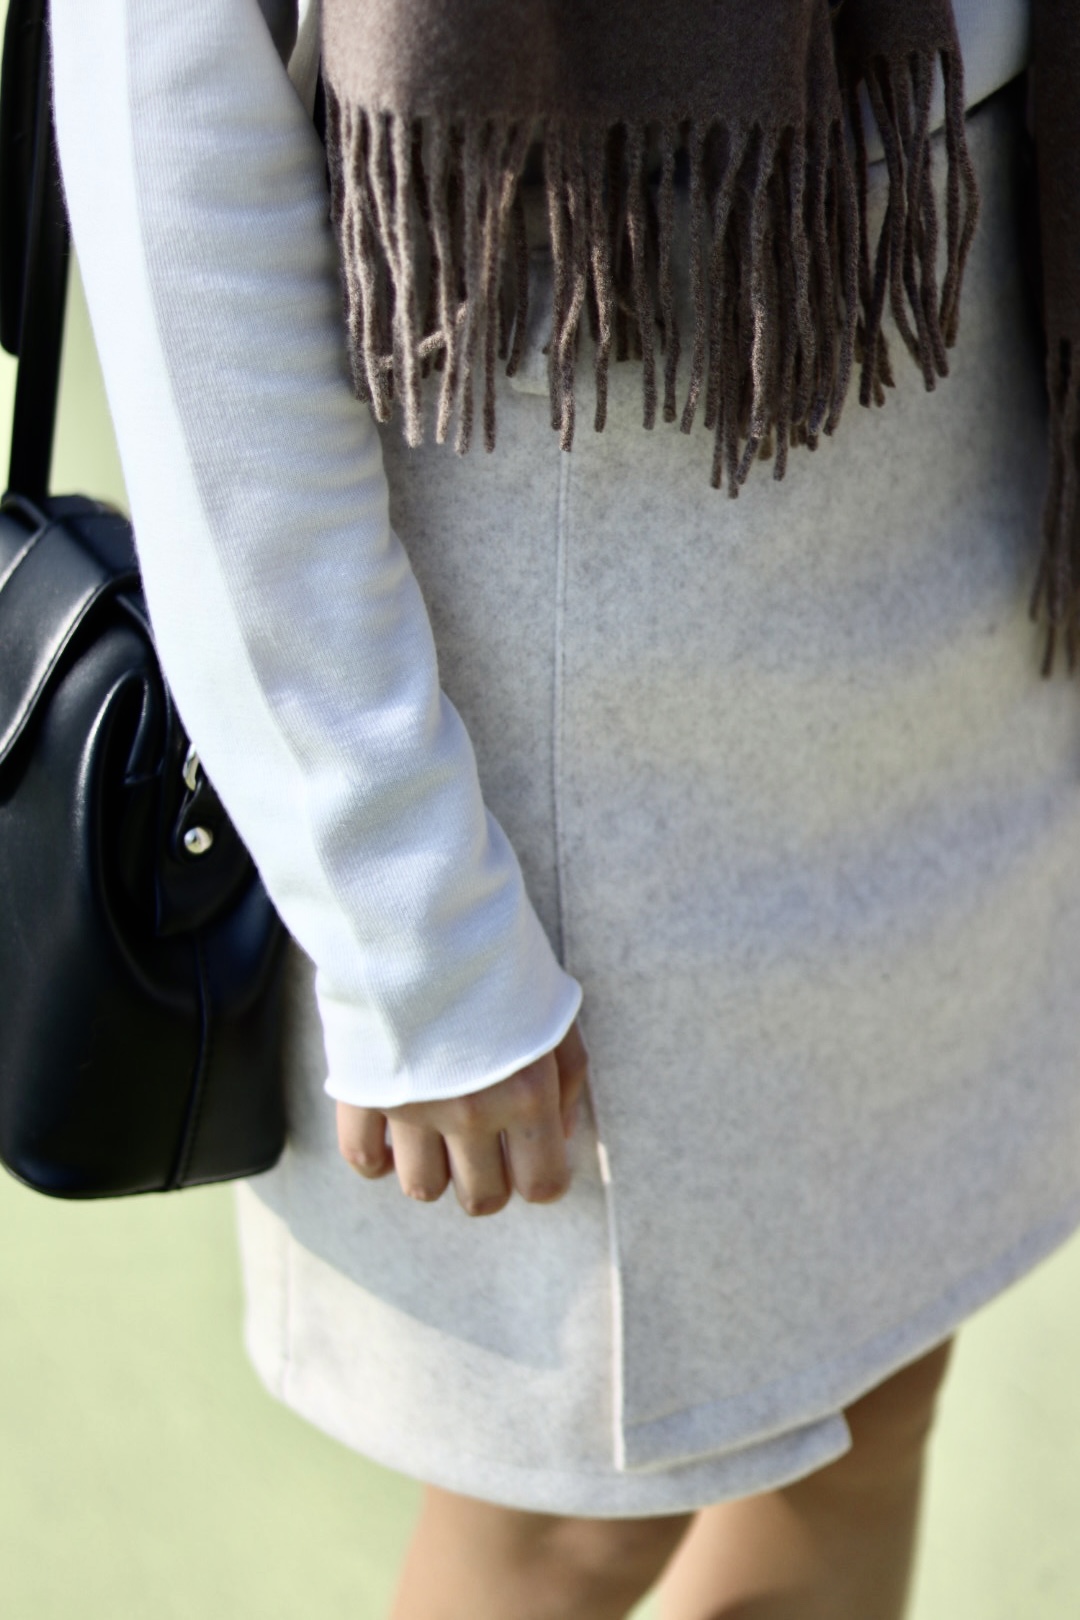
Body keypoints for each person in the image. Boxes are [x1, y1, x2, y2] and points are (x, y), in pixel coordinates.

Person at [50, 1, 1074, 1616]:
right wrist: (407, 915)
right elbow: (171, 188)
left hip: (950, 415)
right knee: (563, 1534)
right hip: (553, 674)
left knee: (877, 1403)